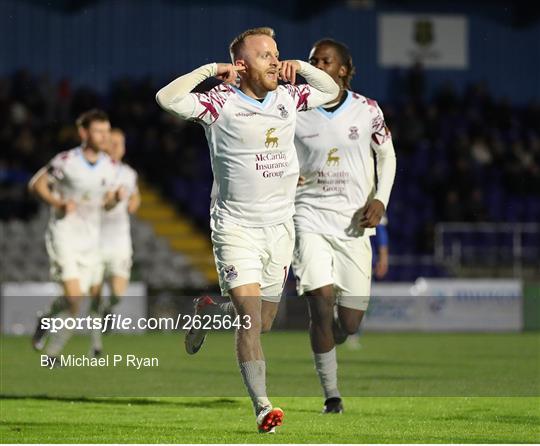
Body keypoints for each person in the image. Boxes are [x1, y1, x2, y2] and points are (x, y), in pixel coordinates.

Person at [155, 27, 338, 433]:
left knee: (263, 321)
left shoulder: (289, 97)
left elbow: (332, 90)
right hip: (235, 227)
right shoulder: (220, 102)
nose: (275, 60)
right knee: (251, 321)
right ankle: (263, 408)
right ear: (241, 65)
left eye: (277, 54)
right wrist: (210, 69)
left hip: (279, 228)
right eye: (265, 55)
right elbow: (165, 98)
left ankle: (207, 311)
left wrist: (303, 67)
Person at [292, 39, 396, 413]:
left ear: (344, 69)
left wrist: (380, 199)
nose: (317, 65)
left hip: (354, 224)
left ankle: (330, 335)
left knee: (348, 323)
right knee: (320, 301)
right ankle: (331, 395)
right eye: (312, 60)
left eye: (326, 60)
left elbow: (387, 155)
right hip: (309, 216)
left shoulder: (367, 110)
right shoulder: (293, 108)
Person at [29, 109, 121, 363]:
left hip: (91, 240)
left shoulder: (111, 167)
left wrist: (115, 199)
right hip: (64, 235)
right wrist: (57, 202)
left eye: (106, 131)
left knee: (76, 303)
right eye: (98, 131)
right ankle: (50, 343)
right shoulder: (66, 160)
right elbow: (37, 184)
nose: (104, 136)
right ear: (83, 133)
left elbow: (107, 205)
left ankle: (49, 340)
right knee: (74, 297)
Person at [89, 127, 141, 357]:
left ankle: (109, 311)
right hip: (94, 239)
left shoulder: (129, 173)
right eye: (113, 142)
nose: (117, 147)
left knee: (118, 293)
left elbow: (135, 196)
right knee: (95, 293)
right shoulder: (95, 171)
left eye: (121, 143)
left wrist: (131, 202)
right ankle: (96, 344)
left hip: (119, 240)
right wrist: (112, 200)